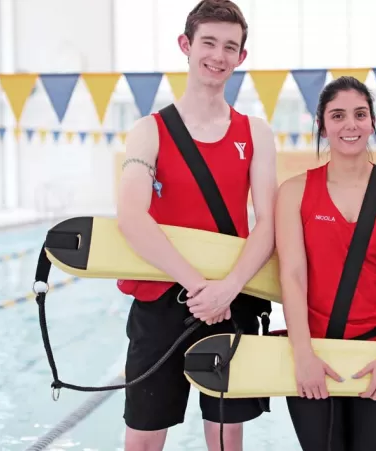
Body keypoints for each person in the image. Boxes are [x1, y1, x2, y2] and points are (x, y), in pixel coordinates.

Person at [115, 1, 277, 450]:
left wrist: (228, 288)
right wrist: (198, 287)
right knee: (143, 441)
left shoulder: (256, 132)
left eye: (230, 46)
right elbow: (131, 216)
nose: (218, 55)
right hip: (163, 299)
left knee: (226, 441)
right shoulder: (149, 130)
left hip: (232, 297)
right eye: (208, 42)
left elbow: (269, 223)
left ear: (241, 57)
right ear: (186, 45)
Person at [274, 76, 376, 451]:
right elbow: (291, 275)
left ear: (372, 122)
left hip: (375, 354)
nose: (350, 125)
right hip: (315, 354)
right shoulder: (294, 191)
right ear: (322, 125)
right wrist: (303, 354)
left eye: (360, 114)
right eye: (337, 116)